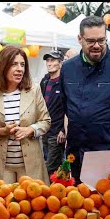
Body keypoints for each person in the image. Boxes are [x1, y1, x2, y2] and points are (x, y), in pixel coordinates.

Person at [60, 15, 110, 185]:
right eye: (91, 41)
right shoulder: (68, 68)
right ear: (80, 39)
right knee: (79, 202)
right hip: (78, 149)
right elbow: (66, 104)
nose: (97, 46)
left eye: (101, 40)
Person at [0, 46, 51, 184]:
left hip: (30, 164)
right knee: (1, 203)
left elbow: (46, 121)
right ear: (3, 66)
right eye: (14, 64)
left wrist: (30, 129)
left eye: (22, 64)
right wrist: (1, 131)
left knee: (32, 203)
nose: (20, 69)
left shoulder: (34, 90)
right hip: (1, 165)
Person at [40, 49, 66, 177]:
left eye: (53, 60)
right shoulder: (45, 81)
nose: (49, 63)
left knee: (51, 166)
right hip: (45, 130)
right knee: (50, 164)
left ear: (60, 63)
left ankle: (52, 192)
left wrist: (64, 129)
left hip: (57, 132)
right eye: (48, 61)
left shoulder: (64, 82)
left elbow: (69, 108)